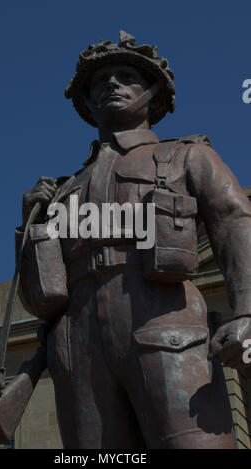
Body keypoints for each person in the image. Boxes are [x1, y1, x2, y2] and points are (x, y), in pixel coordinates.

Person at [17, 31, 251, 449]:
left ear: (153, 92)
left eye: (126, 76)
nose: (111, 84)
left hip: (164, 323)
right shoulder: (63, 190)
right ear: (87, 102)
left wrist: (247, 311)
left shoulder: (187, 155)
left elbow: (235, 223)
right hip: (79, 344)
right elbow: (39, 300)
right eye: (100, 81)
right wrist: (30, 227)